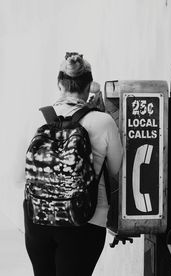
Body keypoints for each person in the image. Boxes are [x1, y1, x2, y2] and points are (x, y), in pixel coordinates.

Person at [23, 52, 123, 276]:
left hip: (38, 218)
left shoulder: (36, 117)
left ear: (59, 83)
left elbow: (19, 176)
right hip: (85, 220)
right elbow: (116, 168)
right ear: (89, 86)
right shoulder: (103, 121)